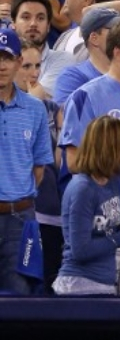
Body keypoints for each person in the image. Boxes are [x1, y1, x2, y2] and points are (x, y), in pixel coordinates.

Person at [53, 115, 120, 297]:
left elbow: (113, 232)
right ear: (111, 148)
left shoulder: (112, 182)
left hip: (104, 284)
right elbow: (81, 250)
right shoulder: (82, 189)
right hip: (78, 285)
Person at [0, 26, 54, 295]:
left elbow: (39, 168)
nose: (1, 65)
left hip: (20, 218)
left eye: (7, 58)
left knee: (21, 296)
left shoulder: (35, 109)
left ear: (18, 61)